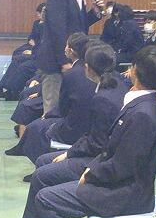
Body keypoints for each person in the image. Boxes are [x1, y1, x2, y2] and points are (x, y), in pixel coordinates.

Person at [30, 46, 156, 218]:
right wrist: (93, 168)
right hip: (118, 181)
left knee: (47, 199)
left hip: (126, 193)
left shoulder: (143, 113)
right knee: (48, 191)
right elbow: (112, 150)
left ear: (135, 70)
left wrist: (92, 173)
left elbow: (124, 164)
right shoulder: (140, 103)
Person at [15, 43, 128, 218]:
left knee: (42, 174)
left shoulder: (103, 98)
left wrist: (69, 153)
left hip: (99, 159)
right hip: (96, 150)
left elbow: (97, 143)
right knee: (43, 161)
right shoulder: (117, 83)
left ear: (88, 68)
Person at [6, 33, 96, 164]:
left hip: (73, 124)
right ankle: (27, 150)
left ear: (70, 50)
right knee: (34, 119)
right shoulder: (84, 69)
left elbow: (63, 106)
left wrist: (49, 114)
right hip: (83, 119)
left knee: (37, 128)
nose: (64, 48)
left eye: (66, 45)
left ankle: (42, 164)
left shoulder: (71, 73)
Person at [35, 0, 104, 114]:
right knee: (52, 109)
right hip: (57, 61)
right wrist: (64, 61)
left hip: (73, 58)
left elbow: (78, 26)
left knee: (67, 108)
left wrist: (94, 13)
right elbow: (57, 30)